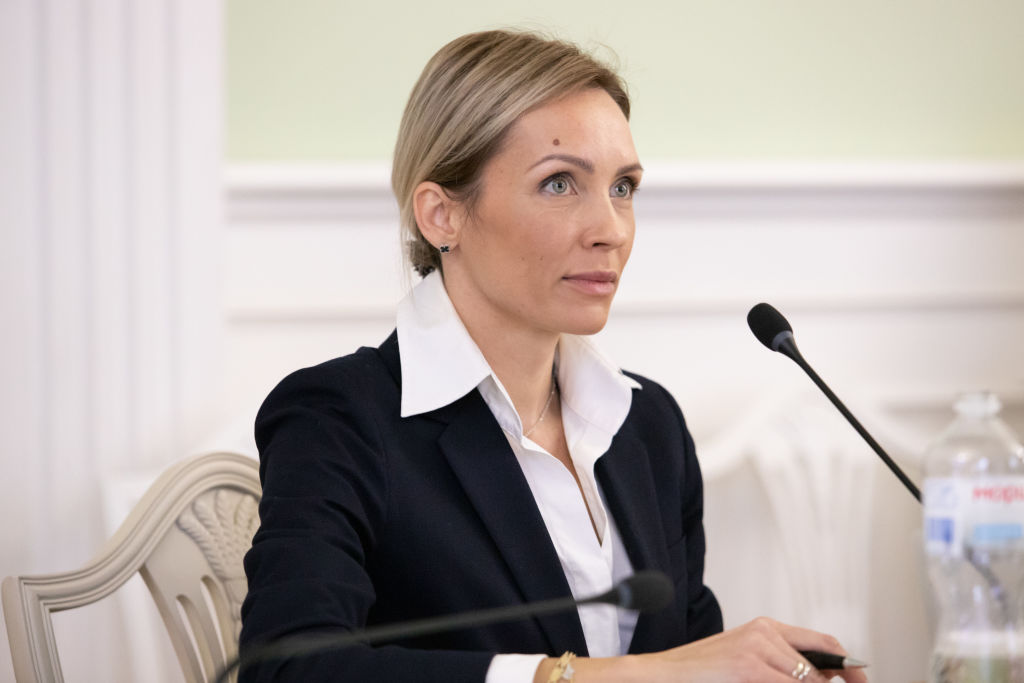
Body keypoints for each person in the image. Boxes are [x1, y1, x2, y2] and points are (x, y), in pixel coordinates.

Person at [239, 30, 868, 683]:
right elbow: (286, 669)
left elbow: (690, 659)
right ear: (441, 216)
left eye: (623, 187)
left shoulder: (649, 425)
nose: (611, 230)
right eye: (560, 183)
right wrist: (573, 677)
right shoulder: (339, 418)